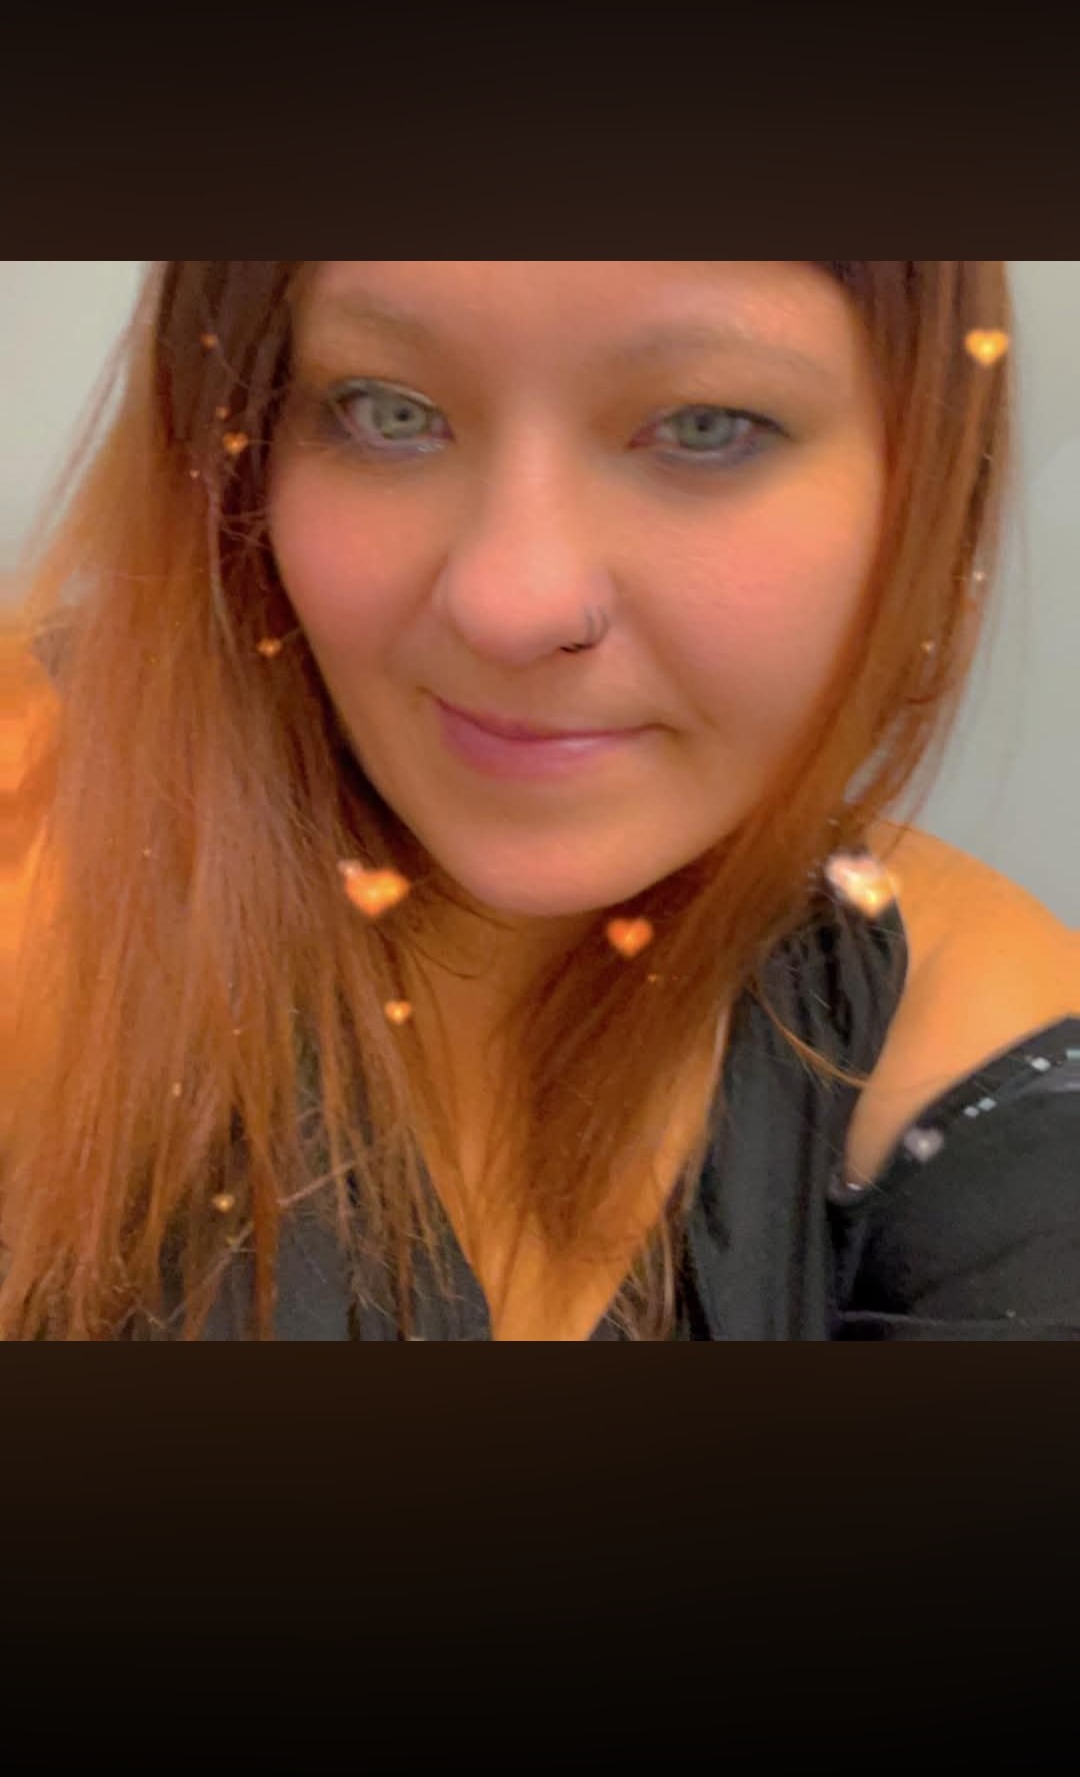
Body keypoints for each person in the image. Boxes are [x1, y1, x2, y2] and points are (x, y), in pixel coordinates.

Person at [3, 261, 1077, 1341]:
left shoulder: (951, 1017)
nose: (510, 607)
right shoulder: (39, 841)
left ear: (922, 475)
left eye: (705, 427)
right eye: (388, 411)